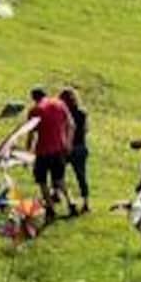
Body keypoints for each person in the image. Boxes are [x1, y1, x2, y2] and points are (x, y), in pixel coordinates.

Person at [26, 87, 72, 217]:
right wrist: (67, 143)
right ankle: (71, 203)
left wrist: (28, 149)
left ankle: (51, 208)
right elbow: (71, 124)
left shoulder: (35, 110)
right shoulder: (60, 104)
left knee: (42, 181)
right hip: (59, 149)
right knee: (60, 179)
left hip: (43, 151)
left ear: (34, 98)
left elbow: (31, 132)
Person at [59, 87, 90, 215]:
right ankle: (86, 203)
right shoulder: (82, 113)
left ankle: (62, 196)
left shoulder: (64, 114)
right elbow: (86, 129)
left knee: (58, 174)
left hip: (67, 148)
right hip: (81, 147)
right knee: (81, 176)